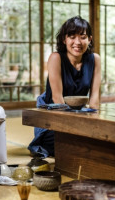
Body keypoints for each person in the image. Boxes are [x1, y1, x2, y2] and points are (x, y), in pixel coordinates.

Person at [28, 16, 101, 158]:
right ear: (64, 39)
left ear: (89, 39)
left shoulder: (95, 59)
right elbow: (57, 99)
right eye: (72, 37)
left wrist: (95, 126)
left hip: (81, 115)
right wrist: (77, 129)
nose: (77, 42)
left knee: (101, 141)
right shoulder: (56, 58)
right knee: (67, 146)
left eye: (83, 37)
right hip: (54, 116)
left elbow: (95, 98)